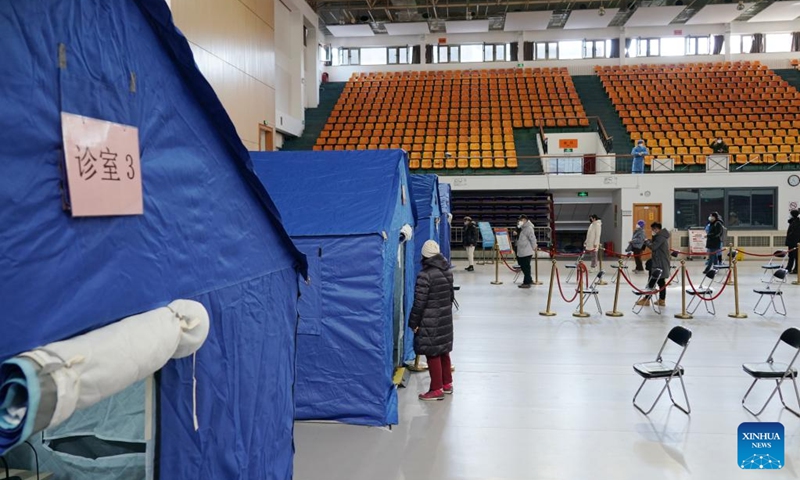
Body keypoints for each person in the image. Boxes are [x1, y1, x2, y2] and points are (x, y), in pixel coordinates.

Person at [409, 240, 454, 401]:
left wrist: (413, 322)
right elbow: (450, 297)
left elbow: (419, 303)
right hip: (445, 317)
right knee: (443, 350)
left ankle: (436, 389)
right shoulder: (447, 271)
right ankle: (447, 383)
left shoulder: (425, 275)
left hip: (430, 319)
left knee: (432, 353)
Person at [637, 222, 671, 307]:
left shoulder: (660, 237)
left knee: (652, 281)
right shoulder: (660, 236)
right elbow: (654, 243)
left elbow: (653, 247)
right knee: (660, 281)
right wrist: (648, 241)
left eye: (653, 229)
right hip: (659, 262)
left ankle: (647, 299)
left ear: (656, 229)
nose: (652, 231)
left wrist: (646, 242)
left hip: (659, 263)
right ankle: (661, 300)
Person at [516, 215, 537, 288]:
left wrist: (534, 246)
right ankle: (529, 280)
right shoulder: (522, 228)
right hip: (522, 251)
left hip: (526, 251)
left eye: (521, 220)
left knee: (526, 267)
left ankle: (527, 282)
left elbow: (532, 238)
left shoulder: (529, 228)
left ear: (525, 220)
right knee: (524, 266)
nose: (520, 221)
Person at [785, 210, 800, 274]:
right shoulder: (792, 221)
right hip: (791, 242)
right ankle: (789, 268)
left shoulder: (797, 223)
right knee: (791, 256)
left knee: (796, 256)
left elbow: (795, 234)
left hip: (794, 243)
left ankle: (796, 269)